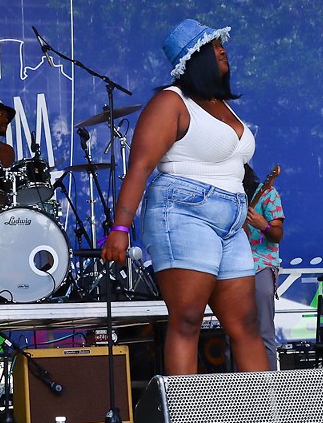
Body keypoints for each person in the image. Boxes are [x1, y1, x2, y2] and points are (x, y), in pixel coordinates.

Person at [103, 18, 268, 374]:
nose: (223, 50)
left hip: (231, 222)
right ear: (195, 57)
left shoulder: (223, 105)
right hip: (183, 211)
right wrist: (120, 228)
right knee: (188, 319)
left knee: (245, 325)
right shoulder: (171, 102)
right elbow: (140, 167)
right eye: (214, 47)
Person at [242, 165, 284, 370]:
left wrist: (264, 225)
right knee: (231, 332)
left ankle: (271, 392)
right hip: (231, 267)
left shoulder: (268, 193)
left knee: (264, 329)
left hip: (260, 264)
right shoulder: (223, 193)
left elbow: (277, 235)